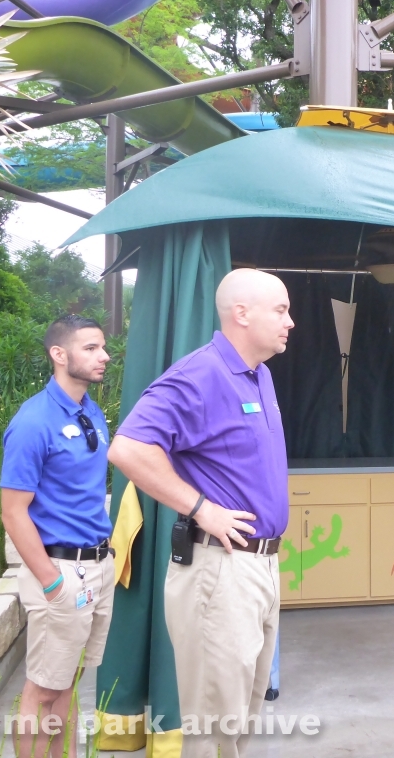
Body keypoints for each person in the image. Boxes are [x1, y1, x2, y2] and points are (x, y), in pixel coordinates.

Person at [108, 268, 294, 758]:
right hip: (220, 568)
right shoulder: (201, 374)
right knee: (211, 721)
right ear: (241, 313)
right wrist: (200, 508)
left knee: (241, 711)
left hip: (259, 566)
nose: (290, 321)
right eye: (280, 310)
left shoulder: (260, 375)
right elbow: (127, 448)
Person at [0, 315, 115, 758]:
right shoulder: (33, 422)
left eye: (102, 347)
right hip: (62, 572)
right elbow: (13, 513)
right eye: (90, 348)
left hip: (96, 568)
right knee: (44, 690)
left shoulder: (88, 409)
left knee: (68, 681)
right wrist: (52, 582)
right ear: (59, 354)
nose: (103, 356)